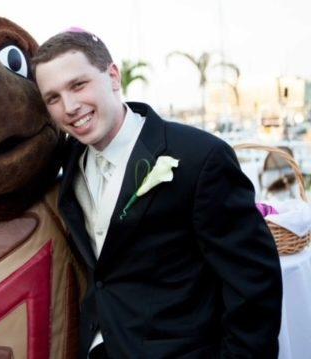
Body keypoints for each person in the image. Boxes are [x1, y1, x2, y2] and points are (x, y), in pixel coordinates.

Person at [32, 30, 282, 358]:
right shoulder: (69, 161)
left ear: (112, 76)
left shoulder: (199, 157)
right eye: (53, 98)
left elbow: (254, 284)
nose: (69, 106)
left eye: (78, 85)